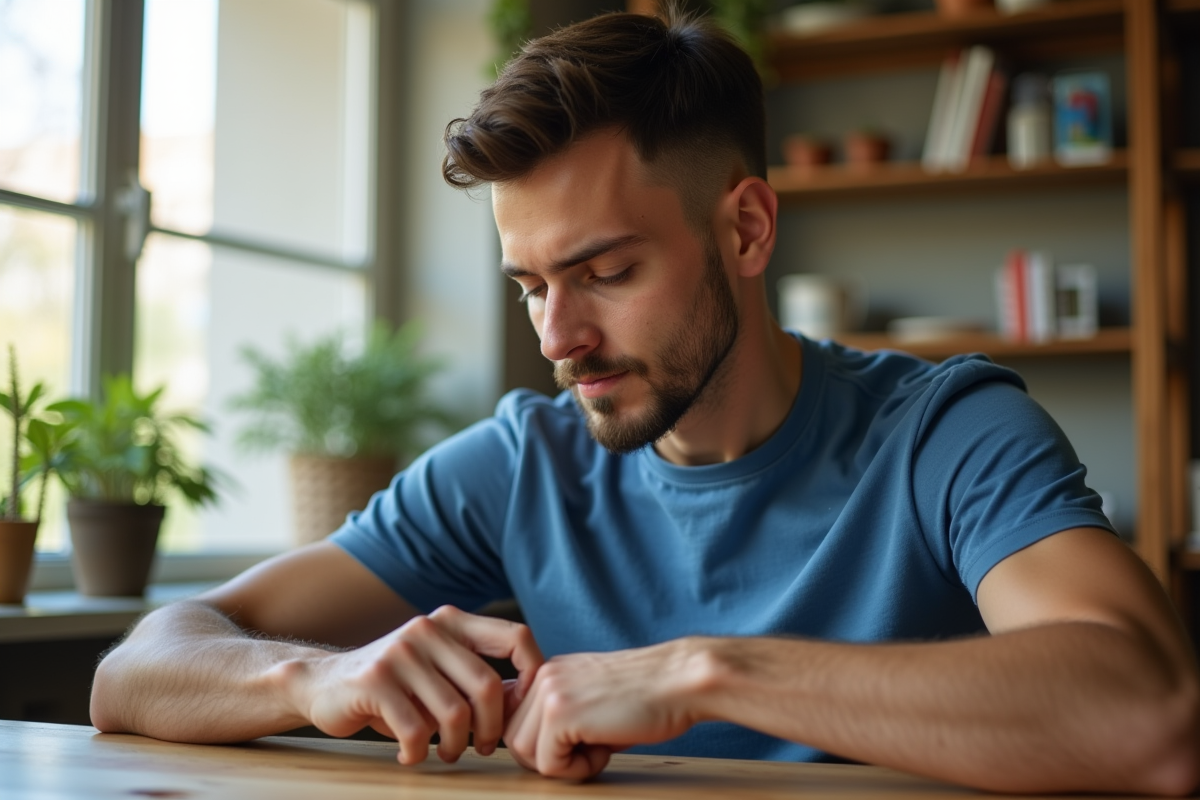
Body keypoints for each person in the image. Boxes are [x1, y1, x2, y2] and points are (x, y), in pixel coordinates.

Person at [90, 9, 1199, 795]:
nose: (557, 338)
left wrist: (700, 668)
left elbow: (1148, 714)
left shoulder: (947, 433)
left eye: (607, 272)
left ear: (747, 229)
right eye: (530, 286)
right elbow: (137, 667)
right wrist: (317, 673)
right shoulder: (518, 463)